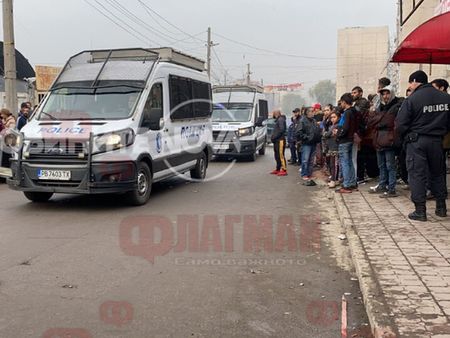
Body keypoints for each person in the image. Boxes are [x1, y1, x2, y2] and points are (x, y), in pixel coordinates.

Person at [396, 70, 450, 221]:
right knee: (438, 173)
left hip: (417, 142)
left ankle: (420, 210)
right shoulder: (446, 98)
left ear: (414, 81)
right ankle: (441, 207)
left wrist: (406, 136)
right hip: (437, 141)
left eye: (410, 83)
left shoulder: (412, 99)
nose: (410, 86)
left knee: (417, 174)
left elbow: (400, 124)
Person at [369, 86, 403, 198]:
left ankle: (391, 188)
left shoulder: (396, 106)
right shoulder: (379, 107)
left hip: (389, 139)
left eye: (387, 93)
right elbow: (371, 122)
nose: (385, 96)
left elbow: (388, 122)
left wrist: (377, 120)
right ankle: (382, 184)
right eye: (383, 94)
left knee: (390, 165)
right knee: (381, 165)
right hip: (379, 139)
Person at [335, 93, 358, 193]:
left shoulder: (347, 113)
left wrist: (338, 134)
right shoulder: (354, 112)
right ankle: (352, 182)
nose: (341, 105)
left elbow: (345, 127)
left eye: (341, 103)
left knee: (345, 163)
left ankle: (347, 184)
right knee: (349, 162)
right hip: (350, 139)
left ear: (344, 102)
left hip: (344, 140)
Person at [296, 107, 321, 180]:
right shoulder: (302, 121)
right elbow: (298, 132)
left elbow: (316, 130)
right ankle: (304, 174)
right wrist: (307, 137)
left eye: (313, 111)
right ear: (307, 112)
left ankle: (309, 174)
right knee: (305, 160)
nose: (313, 112)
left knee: (311, 160)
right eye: (312, 111)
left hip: (314, 142)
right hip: (306, 144)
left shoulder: (314, 120)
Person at [323, 111, 340, 188]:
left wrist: (326, 134)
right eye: (331, 117)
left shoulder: (337, 126)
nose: (332, 119)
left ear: (338, 117)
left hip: (335, 148)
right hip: (331, 147)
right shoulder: (331, 126)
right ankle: (334, 179)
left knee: (334, 165)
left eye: (334, 117)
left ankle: (334, 180)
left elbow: (327, 134)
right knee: (332, 164)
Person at [270, 109, 288, 176]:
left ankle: (284, 169)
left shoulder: (280, 119)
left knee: (281, 155)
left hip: (280, 140)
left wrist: (274, 137)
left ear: (276, 114)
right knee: (277, 155)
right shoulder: (278, 120)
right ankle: (278, 169)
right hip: (276, 141)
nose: (273, 115)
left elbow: (281, 130)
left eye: (273, 113)